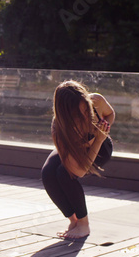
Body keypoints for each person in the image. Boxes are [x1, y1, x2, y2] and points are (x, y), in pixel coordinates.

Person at [41, 80, 115, 239]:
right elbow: (77, 169)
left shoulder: (96, 101)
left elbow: (110, 113)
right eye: (78, 114)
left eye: (86, 110)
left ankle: (84, 225)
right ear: (66, 114)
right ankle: (74, 221)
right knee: (48, 173)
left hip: (101, 146)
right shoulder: (58, 128)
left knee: (63, 174)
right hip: (76, 148)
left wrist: (100, 136)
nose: (84, 116)